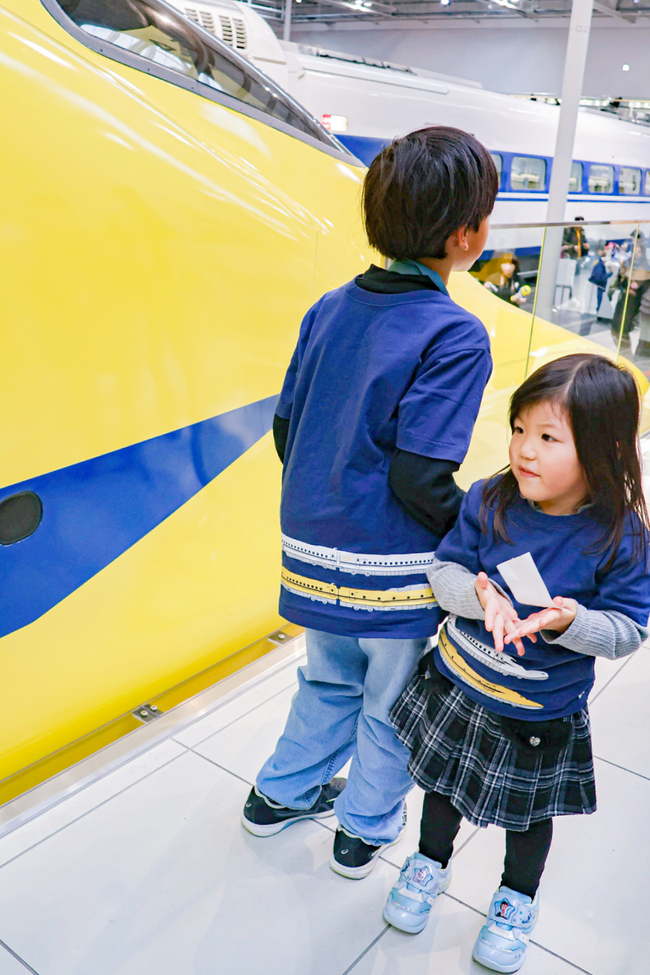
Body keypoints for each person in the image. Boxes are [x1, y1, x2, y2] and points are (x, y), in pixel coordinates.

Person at [241, 127, 498, 879]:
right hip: (390, 565)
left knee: (327, 677)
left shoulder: (328, 307)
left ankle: (278, 795)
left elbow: (286, 428)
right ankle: (363, 830)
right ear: (463, 234)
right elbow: (419, 478)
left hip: (311, 549)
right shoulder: (455, 333)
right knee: (391, 697)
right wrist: (479, 536)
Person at [382, 353, 650, 973]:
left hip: (539, 711)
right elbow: (445, 570)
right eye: (520, 428)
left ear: (604, 450)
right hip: (459, 683)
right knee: (442, 787)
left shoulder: (621, 537)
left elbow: (628, 631)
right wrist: (479, 597)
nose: (525, 449)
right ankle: (429, 863)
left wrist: (569, 622)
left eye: (549, 438)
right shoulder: (490, 497)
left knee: (528, 818)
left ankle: (514, 900)